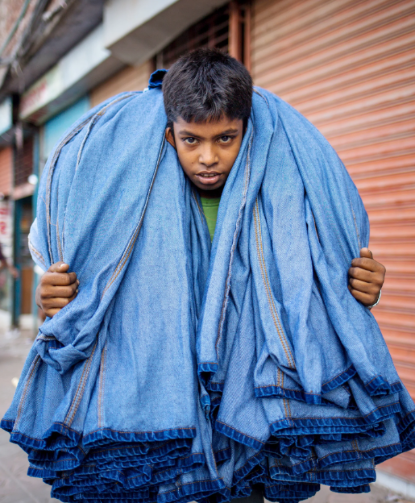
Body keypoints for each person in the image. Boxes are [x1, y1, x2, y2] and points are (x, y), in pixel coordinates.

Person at [35, 49, 385, 319]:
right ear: (170, 137)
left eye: (225, 138)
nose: (207, 157)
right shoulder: (138, 205)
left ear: (248, 134)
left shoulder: (282, 204)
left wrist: (362, 289)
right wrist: (50, 298)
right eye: (192, 140)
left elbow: (313, 284)